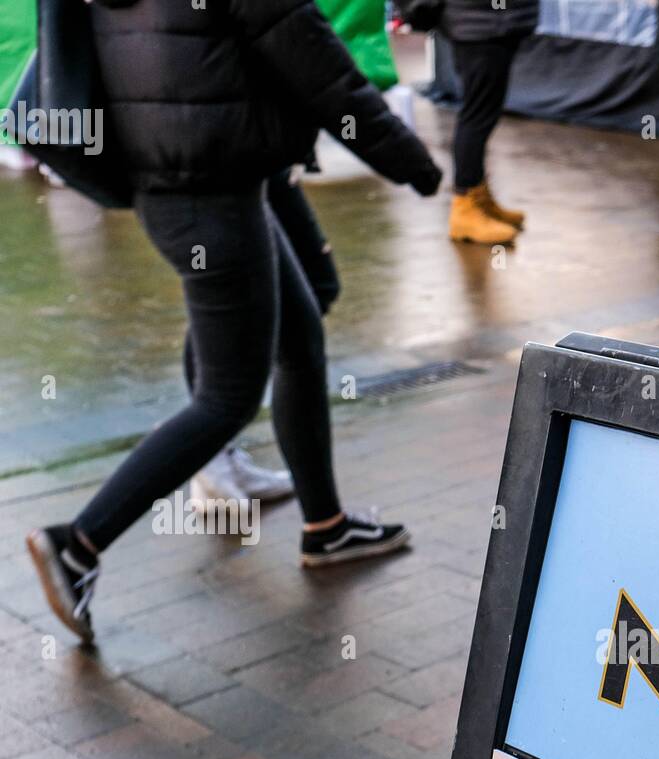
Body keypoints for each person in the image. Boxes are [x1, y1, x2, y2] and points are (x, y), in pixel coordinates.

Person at [26, 0, 443, 645]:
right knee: (228, 396)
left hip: (181, 181)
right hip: (212, 195)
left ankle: (326, 528)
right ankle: (78, 544)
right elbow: (317, 66)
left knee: (299, 336)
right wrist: (407, 156)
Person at [189, 167, 340, 508]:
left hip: (253, 152)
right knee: (243, 296)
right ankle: (200, 448)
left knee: (304, 295)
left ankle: (208, 450)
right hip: (227, 157)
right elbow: (58, 137)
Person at [398, 0, 537, 245]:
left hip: (492, 19)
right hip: (480, 21)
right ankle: (465, 206)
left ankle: (477, 195)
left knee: (485, 112)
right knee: (477, 114)